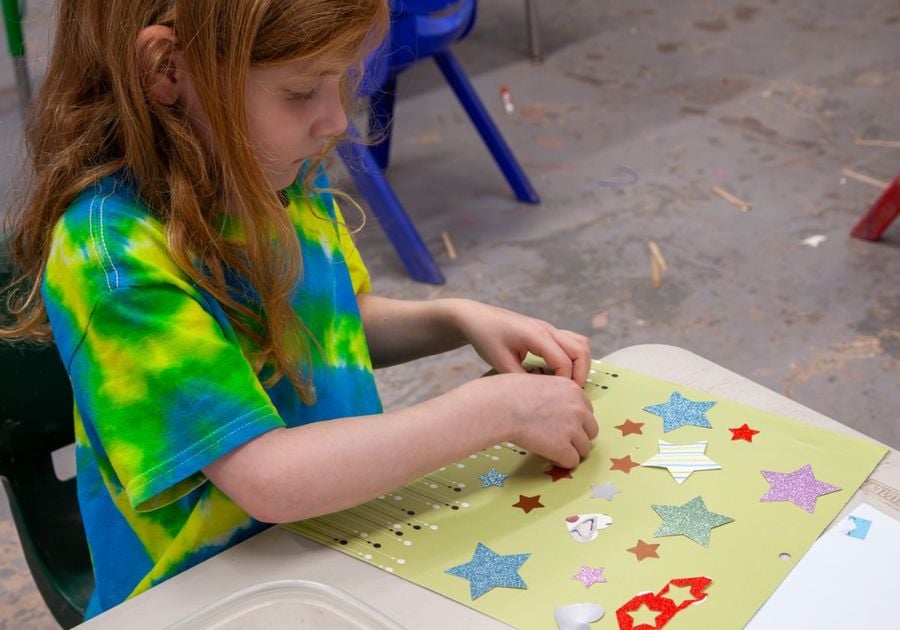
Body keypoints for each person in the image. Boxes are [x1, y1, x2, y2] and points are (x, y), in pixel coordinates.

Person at [0, 0, 598, 618]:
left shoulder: (272, 168)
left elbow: (331, 323)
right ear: (169, 69)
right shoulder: (111, 255)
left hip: (338, 541)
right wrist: (493, 411)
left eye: (341, 81)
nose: (336, 120)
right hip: (206, 597)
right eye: (302, 91)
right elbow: (267, 478)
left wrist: (452, 318)